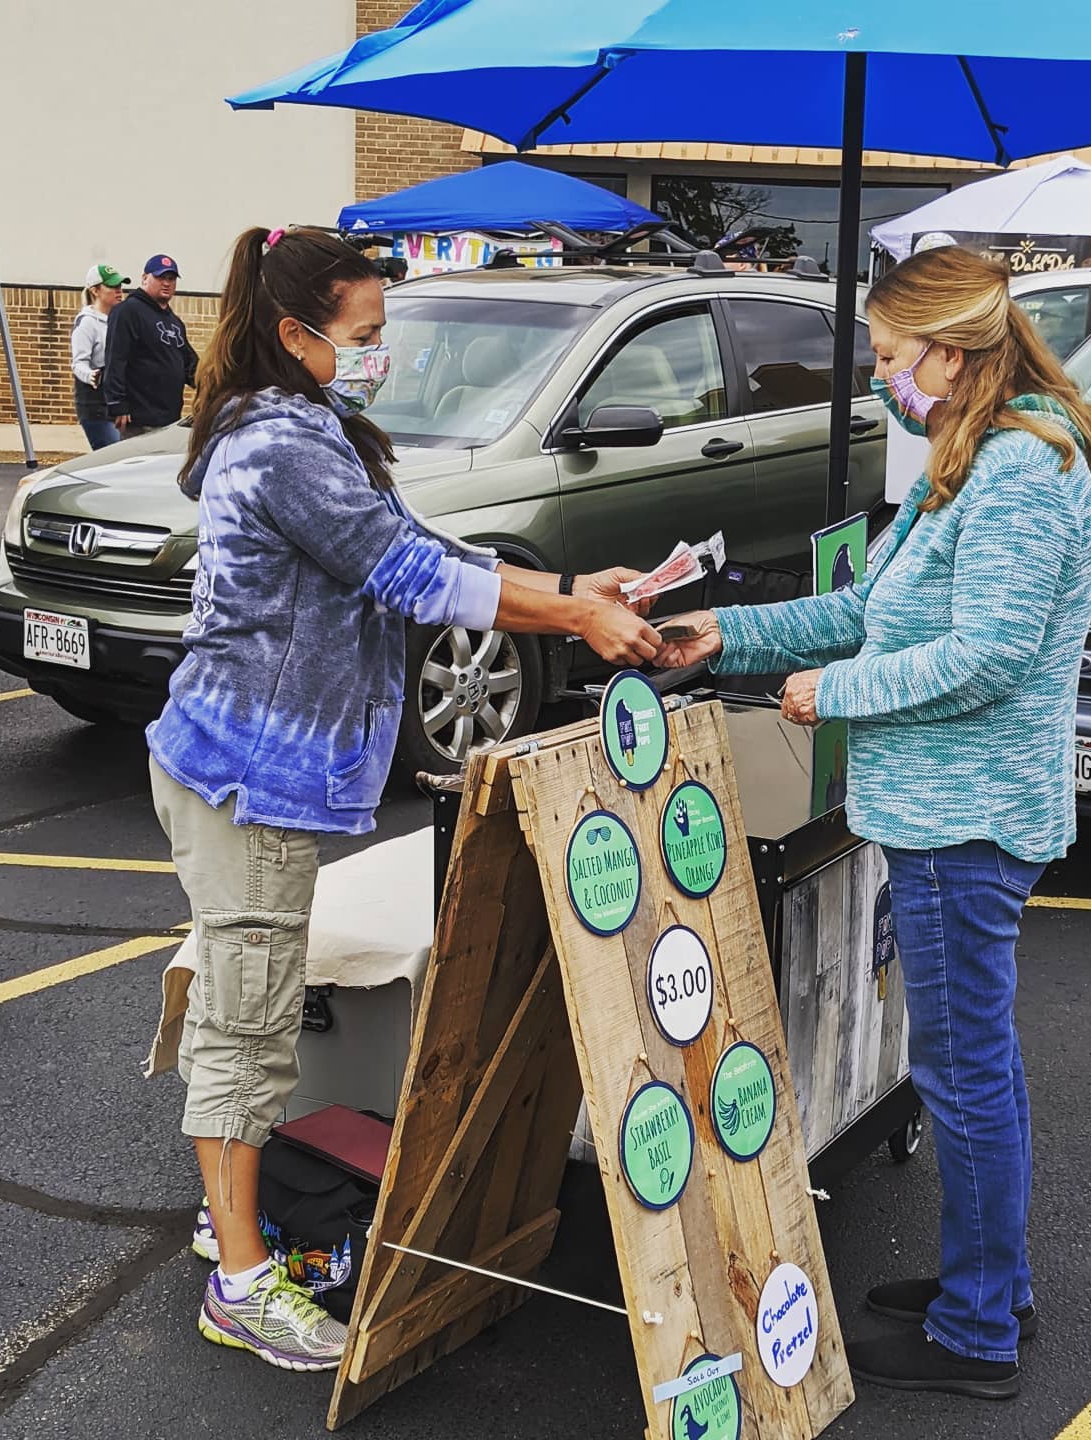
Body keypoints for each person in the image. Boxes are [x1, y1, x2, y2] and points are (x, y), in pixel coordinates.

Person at [147, 225, 661, 1372]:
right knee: (247, 1026)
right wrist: (577, 616)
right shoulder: (281, 445)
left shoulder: (304, 424)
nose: (381, 352)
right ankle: (239, 1278)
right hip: (249, 778)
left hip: (250, 765)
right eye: (366, 334)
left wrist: (572, 587)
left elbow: (416, 541)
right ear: (296, 333)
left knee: (253, 1005)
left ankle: (228, 1214)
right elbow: (415, 576)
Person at [655, 245, 1091, 1401]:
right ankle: (987, 1287)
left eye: (890, 358)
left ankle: (975, 1334)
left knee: (960, 1075)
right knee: (973, 1069)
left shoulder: (1016, 468)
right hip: (946, 811)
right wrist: (732, 636)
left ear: (950, 356)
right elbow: (873, 607)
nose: (881, 378)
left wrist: (835, 694)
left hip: (966, 823)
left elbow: (991, 655)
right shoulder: (965, 457)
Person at [103, 253, 197, 436]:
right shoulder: (128, 311)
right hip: (140, 420)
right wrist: (117, 404)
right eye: (160, 277)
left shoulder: (174, 322)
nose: (167, 283)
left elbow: (189, 364)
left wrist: (214, 383)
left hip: (170, 419)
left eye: (171, 278)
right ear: (145, 278)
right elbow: (116, 359)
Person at [70, 263, 129, 449]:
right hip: (95, 406)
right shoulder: (87, 322)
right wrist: (91, 376)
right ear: (95, 290)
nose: (119, 291)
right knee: (113, 457)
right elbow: (79, 362)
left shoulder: (121, 320)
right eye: (112, 286)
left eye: (120, 286)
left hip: (118, 404)